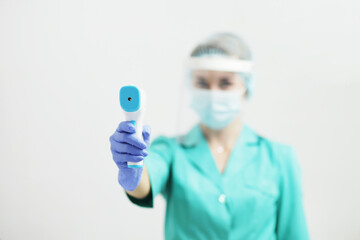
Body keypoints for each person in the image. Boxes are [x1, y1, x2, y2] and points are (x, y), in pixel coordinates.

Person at [109, 32, 310, 240]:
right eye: (203, 83)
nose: (213, 92)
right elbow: (145, 182)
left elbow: (294, 233)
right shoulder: (171, 150)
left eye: (225, 83)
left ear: (247, 86)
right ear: (191, 85)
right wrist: (132, 165)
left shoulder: (279, 158)